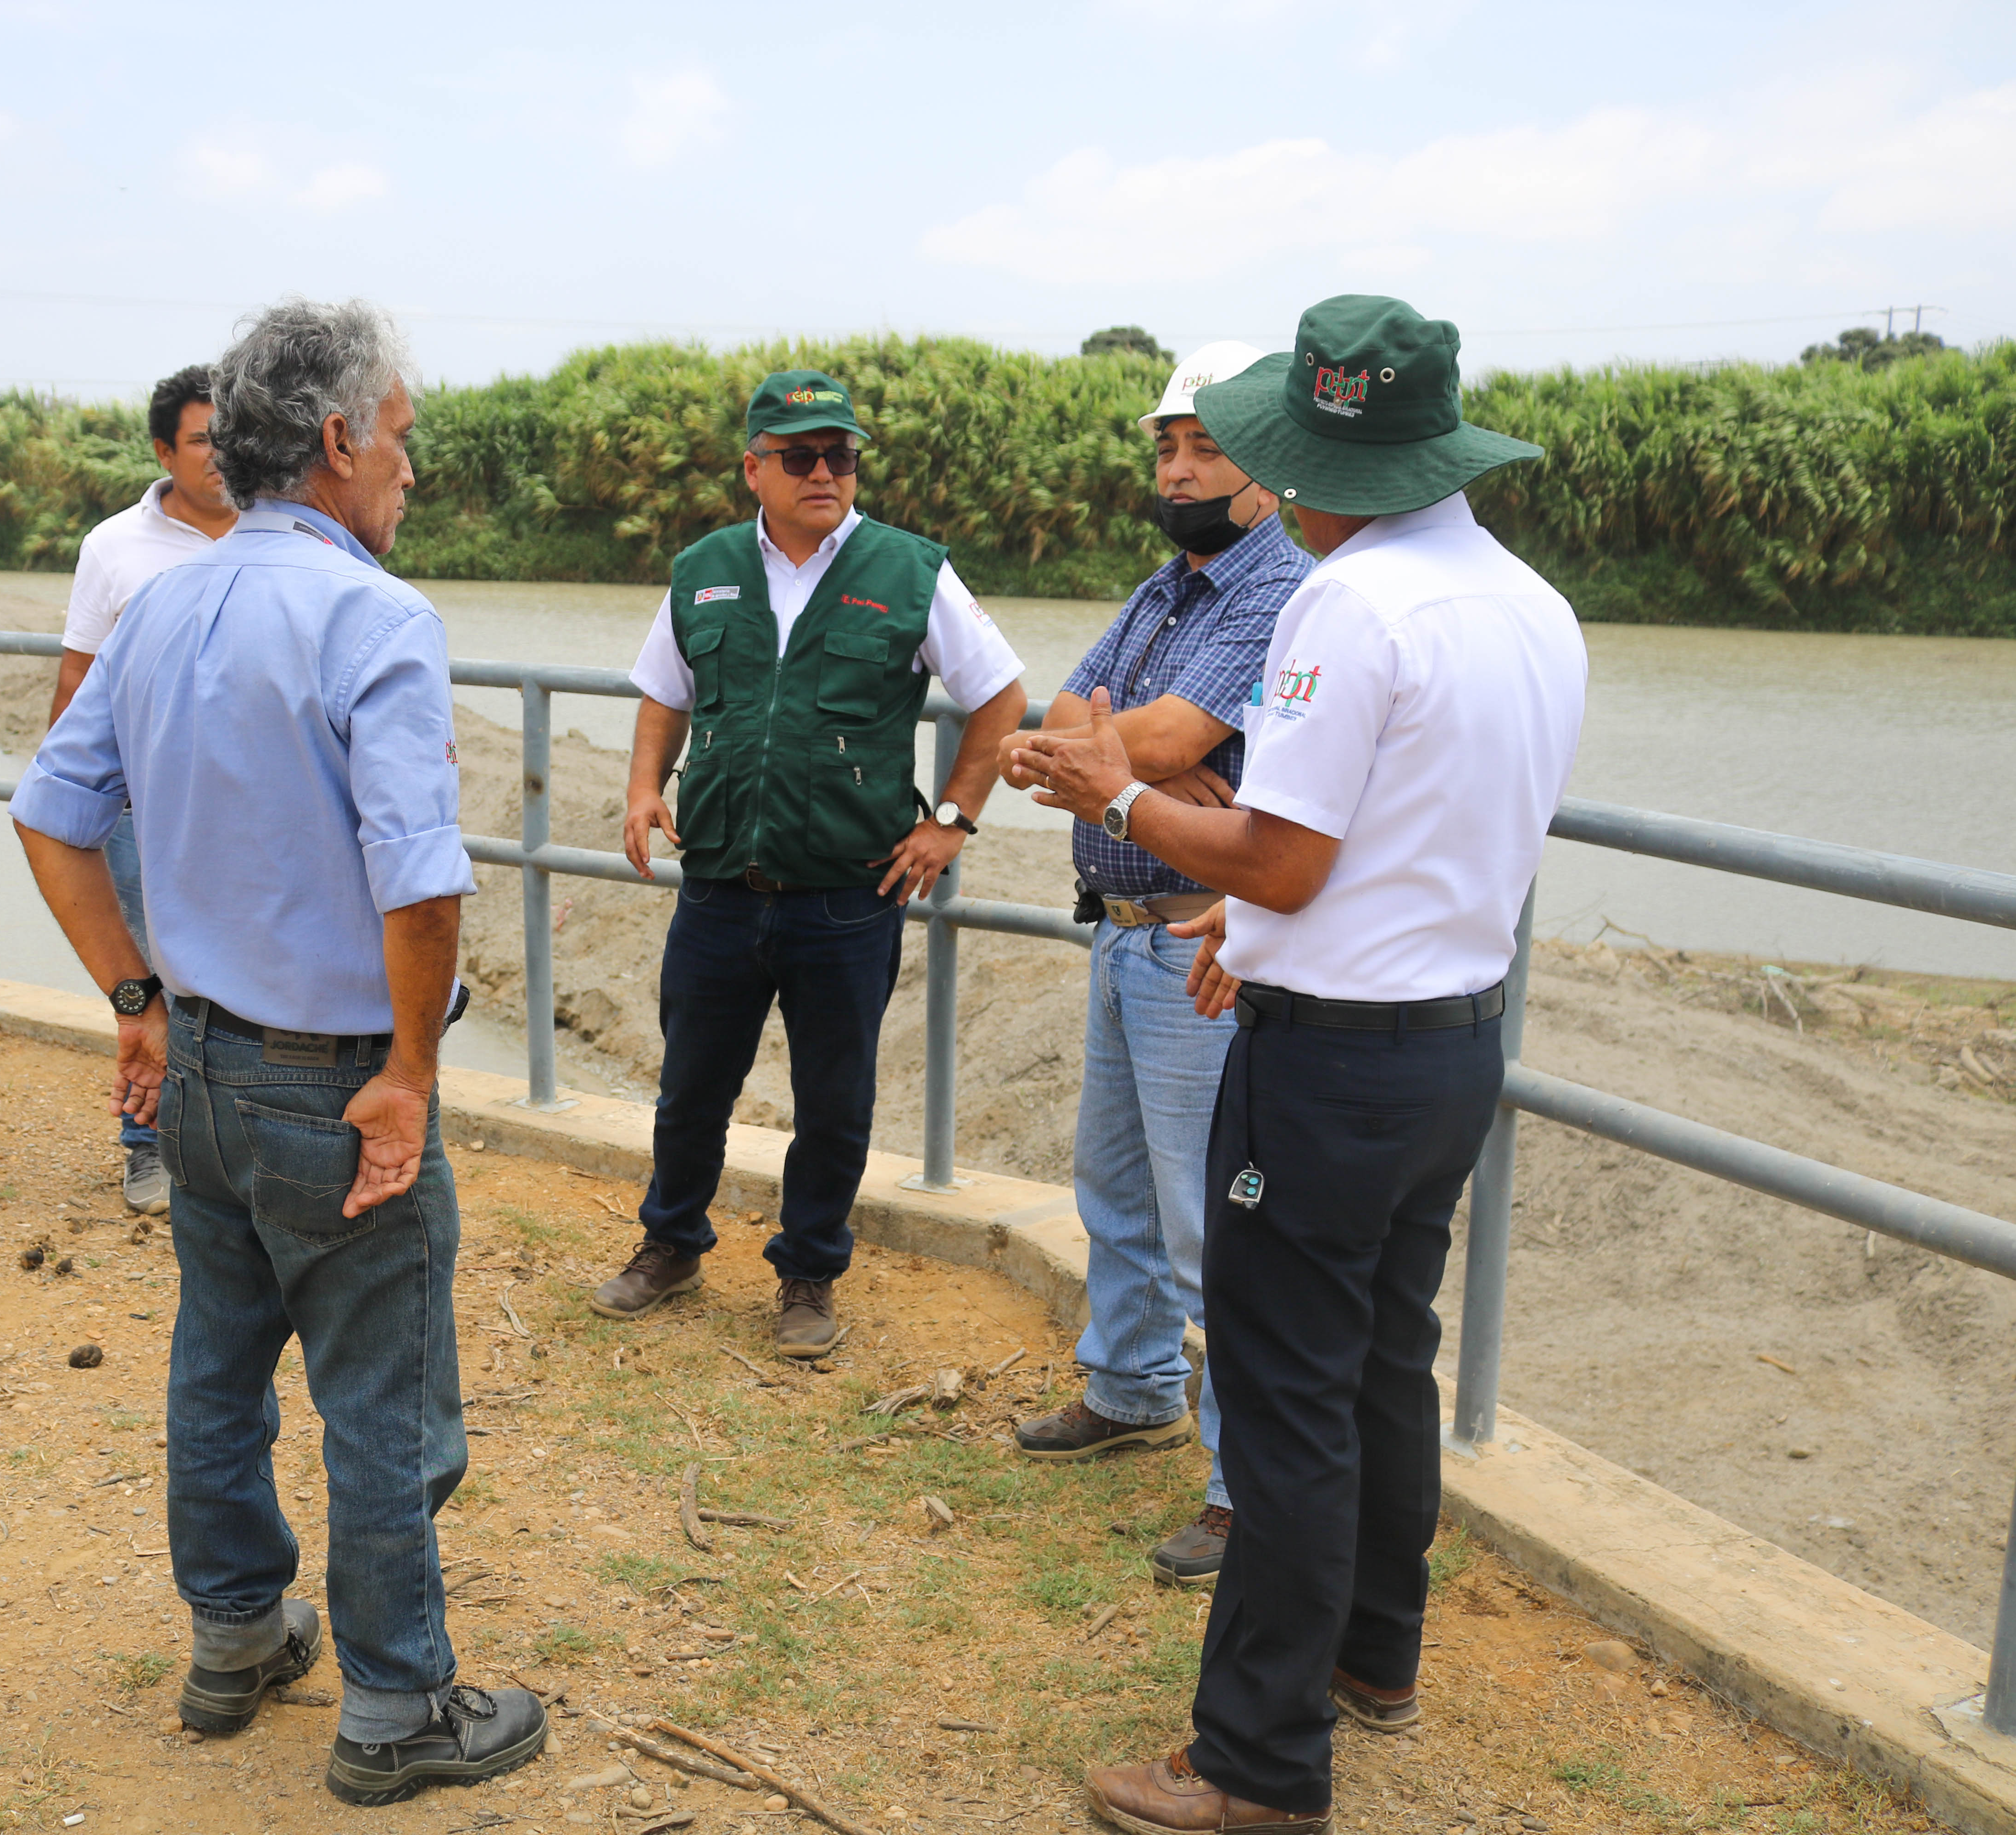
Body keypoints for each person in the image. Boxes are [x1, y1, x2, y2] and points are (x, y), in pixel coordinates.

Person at [1009, 296, 1583, 1835]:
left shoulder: (1352, 606)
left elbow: (1279, 854)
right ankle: (1374, 1662)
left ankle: (1256, 1762)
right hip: (1452, 1041)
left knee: (1285, 1398)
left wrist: (1119, 796)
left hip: (1327, 1075)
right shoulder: (1531, 603)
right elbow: (1396, 852)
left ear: (1319, 462)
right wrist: (1250, 917)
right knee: (1389, 1360)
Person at [10, 299, 547, 1808]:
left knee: (219, 1365)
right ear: (335, 441)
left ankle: (237, 1637)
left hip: (202, 1075)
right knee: (382, 1398)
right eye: (403, 438)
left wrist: (137, 997)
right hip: (335, 1077)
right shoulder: (372, 615)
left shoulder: (159, 607)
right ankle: (397, 1709)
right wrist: (411, 1080)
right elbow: (422, 875)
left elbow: (50, 819)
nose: (410, 470)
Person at [593, 369, 1028, 1359]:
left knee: (835, 1099)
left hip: (848, 894)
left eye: (842, 454)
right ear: (755, 468)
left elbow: (999, 696)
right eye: (801, 456)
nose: (826, 470)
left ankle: (808, 1272)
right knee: (692, 1082)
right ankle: (671, 1243)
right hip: (717, 890)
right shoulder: (702, 568)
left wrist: (954, 819)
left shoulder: (911, 569)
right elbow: (665, 692)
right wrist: (641, 786)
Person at [1004, 344, 1313, 1595]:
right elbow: (1066, 722)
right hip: (1126, 929)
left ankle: (1245, 1489)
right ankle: (1131, 1388)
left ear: (1270, 466)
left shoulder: (1281, 589)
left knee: (1212, 1227)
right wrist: (1115, 756)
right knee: (1116, 1188)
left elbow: (1156, 737)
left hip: (1202, 937)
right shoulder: (1165, 588)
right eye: (1167, 446)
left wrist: (1114, 753)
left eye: (1207, 446)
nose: (1180, 468)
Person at [48, 362, 242, 1217]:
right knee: (143, 982)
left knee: (239, 976)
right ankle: (145, 1147)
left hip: (246, 808)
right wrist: (74, 806)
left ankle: (235, 1141)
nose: (219, 456)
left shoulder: (278, 532)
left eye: (230, 438)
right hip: (138, 808)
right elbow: (77, 681)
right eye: (202, 440)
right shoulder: (115, 547)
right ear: (165, 450)